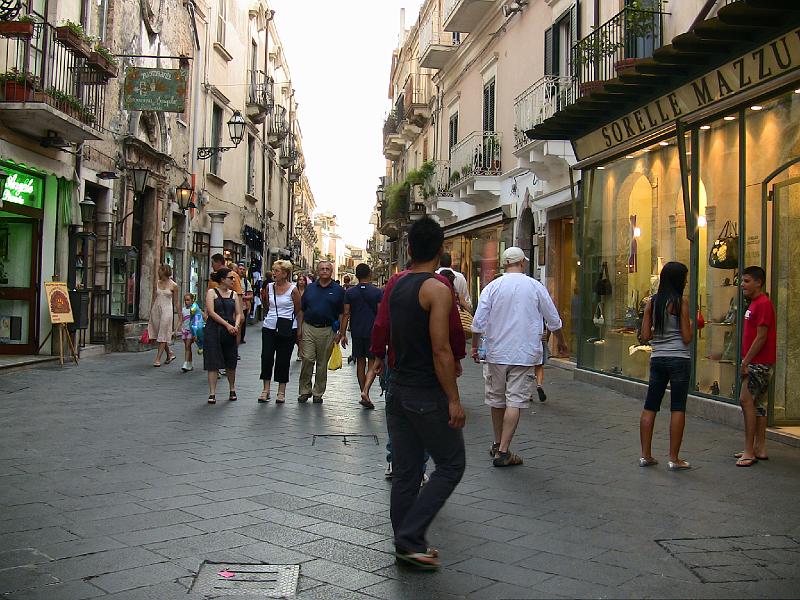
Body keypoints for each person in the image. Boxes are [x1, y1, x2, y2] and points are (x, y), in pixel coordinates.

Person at [383, 217, 465, 570]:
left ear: (409, 249)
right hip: (423, 392)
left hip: (397, 388)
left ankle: (406, 544)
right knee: (451, 464)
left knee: (406, 470)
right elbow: (441, 350)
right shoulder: (437, 289)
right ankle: (411, 537)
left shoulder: (397, 284)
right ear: (441, 248)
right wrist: (454, 399)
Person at [471, 247, 568, 467]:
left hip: (496, 352)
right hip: (524, 354)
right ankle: (504, 451)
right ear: (522, 263)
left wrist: (475, 347)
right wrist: (561, 342)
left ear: (505, 264)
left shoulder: (492, 287)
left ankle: (497, 443)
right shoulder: (534, 286)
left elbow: (478, 322)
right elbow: (553, 318)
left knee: (496, 399)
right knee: (514, 400)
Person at [638, 262, 693, 471]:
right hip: (679, 358)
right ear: (678, 280)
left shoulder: (652, 302)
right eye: (685, 278)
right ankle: (674, 458)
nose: (686, 281)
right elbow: (686, 337)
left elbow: (645, 336)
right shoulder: (681, 303)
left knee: (650, 405)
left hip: (658, 358)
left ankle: (645, 455)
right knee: (678, 407)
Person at [735, 265, 776, 467]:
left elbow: (761, 337)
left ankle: (749, 451)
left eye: (747, 281)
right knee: (758, 405)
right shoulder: (754, 304)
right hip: (756, 361)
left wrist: (746, 361)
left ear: (758, 282)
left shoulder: (763, 304)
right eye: (743, 281)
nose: (743, 284)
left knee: (746, 400)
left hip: (758, 363)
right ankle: (759, 447)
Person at [298, 260, 347, 403]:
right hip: (309, 327)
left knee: (322, 362)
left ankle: (318, 392)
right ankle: (304, 390)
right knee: (307, 358)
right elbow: (302, 309)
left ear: (331, 272)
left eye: (327, 269)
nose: (324, 271)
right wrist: (299, 328)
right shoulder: (310, 288)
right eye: (322, 269)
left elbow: (342, 313)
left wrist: (340, 332)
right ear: (317, 271)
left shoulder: (338, 290)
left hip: (327, 330)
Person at [259, 260, 302, 404]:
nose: (273, 273)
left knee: (283, 359)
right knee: (266, 356)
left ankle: (281, 391)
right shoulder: (269, 287)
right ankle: (265, 390)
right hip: (269, 326)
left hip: (287, 327)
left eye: (277, 271)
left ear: (285, 274)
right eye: (273, 270)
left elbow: (298, 310)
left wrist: (299, 330)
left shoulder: (293, 290)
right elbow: (267, 305)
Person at [344, 263, 383, 409]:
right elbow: (380, 314)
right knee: (372, 362)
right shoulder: (377, 292)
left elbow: (346, 313)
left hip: (357, 331)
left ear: (356, 275)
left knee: (360, 362)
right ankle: (366, 390)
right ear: (370, 274)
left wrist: (342, 334)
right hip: (372, 331)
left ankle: (363, 391)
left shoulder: (350, 293)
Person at [203, 267, 243, 404]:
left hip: (231, 330)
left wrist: (236, 325)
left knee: (231, 361)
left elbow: (238, 313)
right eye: (230, 278)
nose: (233, 280)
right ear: (222, 280)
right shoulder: (211, 293)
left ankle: (232, 388)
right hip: (214, 329)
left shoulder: (234, 295)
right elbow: (211, 312)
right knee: (213, 361)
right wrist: (227, 325)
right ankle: (212, 392)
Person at [147, 264, 180, 367]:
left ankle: (157, 359)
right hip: (156, 310)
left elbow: (176, 302)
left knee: (162, 333)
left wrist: (180, 315)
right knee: (161, 333)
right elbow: (153, 298)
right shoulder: (157, 283)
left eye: (160, 270)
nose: (158, 272)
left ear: (165, 271)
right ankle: (169, 354)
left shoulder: (174, 285)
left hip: (167, 310)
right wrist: (151, 311)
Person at [180, 293, 202, 372]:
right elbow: (181, 319)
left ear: (192, 300)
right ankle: (190, 364)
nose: (186, 302)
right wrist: (176, 329)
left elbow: (198, 319)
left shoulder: (194, 309)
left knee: (187, 346)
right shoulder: (183, 309)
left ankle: (185, 363)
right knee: (187, 347)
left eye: (188, 300)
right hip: (184, 330)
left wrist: (196, 332)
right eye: (185, 300)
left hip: (191, 331)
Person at [238, 263, 253, 344]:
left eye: (243, 269)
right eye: (240, 269)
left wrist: (242, 297)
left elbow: (251, 295)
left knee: (242, 324)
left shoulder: (245, 282)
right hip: (232, 306)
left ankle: (240, 339)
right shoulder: (231, 279)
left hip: (243, 306)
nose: (242, 271)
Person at [295, 274, 307, 362]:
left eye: (303, 280)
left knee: (302, 334)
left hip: (305, 315)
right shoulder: (294, 291)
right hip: (295, 314)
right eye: (300, 280)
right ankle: (299, 348)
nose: (301, 281)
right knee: (296, 334)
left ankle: (300, 352)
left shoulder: (307, 291)